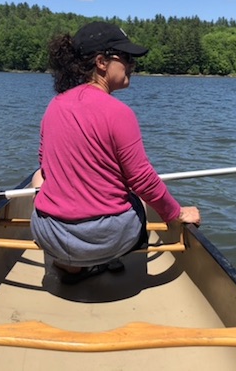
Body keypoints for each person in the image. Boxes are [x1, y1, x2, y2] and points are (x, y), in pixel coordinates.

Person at [31, 21, 201, 284]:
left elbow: (46, 164)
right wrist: (176, 213)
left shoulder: (55, 104)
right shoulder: (119, 113)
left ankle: (69, 265)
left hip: (48, 233)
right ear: (101, 62)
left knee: (38, 177)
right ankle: (106, 257)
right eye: (126, 58)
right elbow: (144, 180)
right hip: (107, 239)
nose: (132, 65)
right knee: (136, 195)